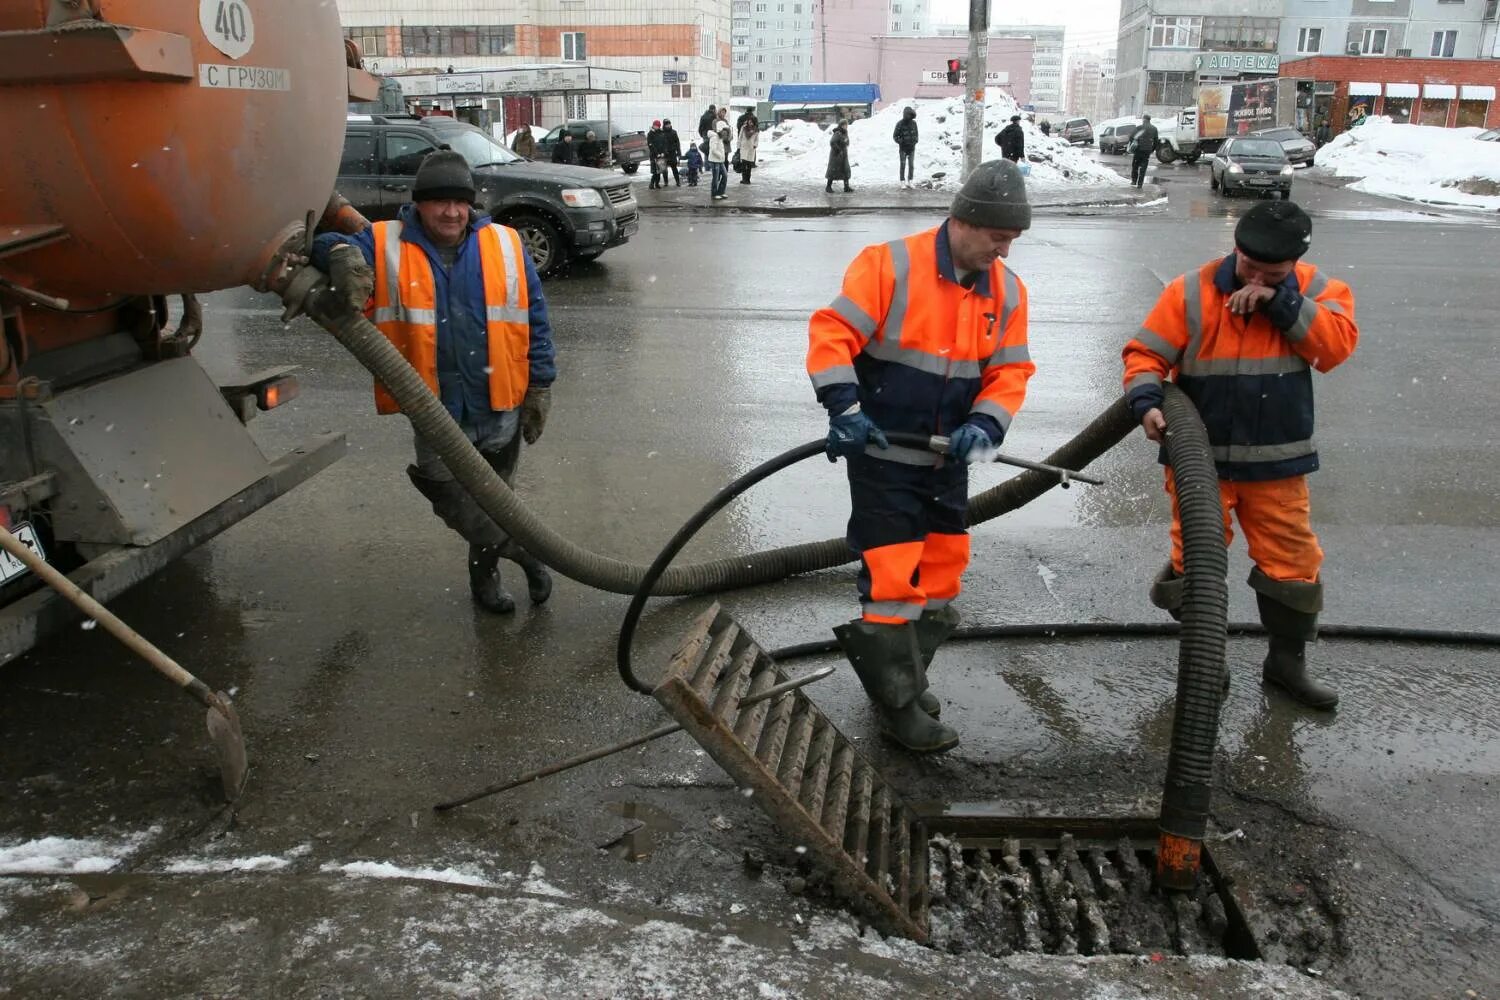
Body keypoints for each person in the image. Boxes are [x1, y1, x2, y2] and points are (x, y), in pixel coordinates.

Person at [805, 160, 1037, 752]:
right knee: (890, 583)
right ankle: (900, 705)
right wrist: (845, 409)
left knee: (941, 578)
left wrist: (986, 423)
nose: (1004, 251)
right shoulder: (889, 266)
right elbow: (833, 334)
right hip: (883, 458)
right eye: (997, 238)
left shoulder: (1006, 291)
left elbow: (1010, 370)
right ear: (964, 222)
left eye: (1011, 241)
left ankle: (900, 678)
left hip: (946, 464)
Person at [1122, 201, 1358, 709]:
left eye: (1270, 272)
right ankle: (1207, 660)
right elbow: (1145, 355)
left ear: (1293, 264)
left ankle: (1286, 664)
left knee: (1292, 563)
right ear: (1237, 249)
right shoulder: (1191, 291)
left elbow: (1334, 350)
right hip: (1198, 465)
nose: (1254, 276)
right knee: (1198, 563)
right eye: (1249, 266)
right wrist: (1145, 400)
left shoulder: (1318, 291)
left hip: (1277, 466)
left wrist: (1281, 302)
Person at [313, 151, 557, 614]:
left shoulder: (505, 245)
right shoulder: (383, 241)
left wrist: (540, 386)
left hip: (500, 403)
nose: (451, 212)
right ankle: (528, 556)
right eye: (439, 202)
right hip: (435, 409)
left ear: (471, 205)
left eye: (460, 202)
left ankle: (485, 579)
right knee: (456, 505)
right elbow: (317, 245)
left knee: (498, 502)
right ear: (418, 204)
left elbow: (536, 321)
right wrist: (339, 252)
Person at [1128, 114, 1157, 188]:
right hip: (1147, 150)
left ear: (1144, 119)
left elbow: (1131, 137)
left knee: (1135, 165)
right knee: (1143, 167)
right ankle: (1140, 184)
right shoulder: (1154, 128)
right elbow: (1156, 141)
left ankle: (1134, 181)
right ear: (1149, 120)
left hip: (1138, 149)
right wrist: (1152, 149)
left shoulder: (1139, 127)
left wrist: (1133, 144)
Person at [892, 106, 919, 188]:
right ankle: (902, 181)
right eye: (907, 114)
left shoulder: (914, 123)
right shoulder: (899, 124)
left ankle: (910, 181)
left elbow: (916, 134)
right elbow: (895, 136)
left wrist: (915, 141)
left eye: (910, 114)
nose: (908, 116)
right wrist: (901, 142)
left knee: (911, 165)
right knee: (903, 165)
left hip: (912, 148)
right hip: (903, 148)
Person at [707, 119, 732, 200]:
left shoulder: (720, 137)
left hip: (720, 161)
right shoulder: (714, 137)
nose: (726, 133)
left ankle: (721, 192)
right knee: (715, 177)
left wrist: (721, 157)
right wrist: (721, 155)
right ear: (720, 130)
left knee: (725, 175)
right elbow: (713, 150)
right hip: (715, 161)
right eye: (725, 130)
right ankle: (714, 193)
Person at [825, 119, 852, 193]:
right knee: (833, 171)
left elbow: (847, 142)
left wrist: (846, 142)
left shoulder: (844, 133)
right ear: (841, 125)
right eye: (844, 125)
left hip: (843, 156)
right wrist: (838, 150)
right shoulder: (838, 133)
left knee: (845, 170)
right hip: (836, 156)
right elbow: (832, 142)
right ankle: (828, 187)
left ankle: (846, 187)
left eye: (846, 125)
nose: (846, 126)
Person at [735, 112, 759, 184]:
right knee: (744, 164)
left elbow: (757, 139)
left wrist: (755, 145)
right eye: (749, 121)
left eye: (751, 122)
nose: (750, 123)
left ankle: (748, 179)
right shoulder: (744, 127)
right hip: (744, 147)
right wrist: (738, 146)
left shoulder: (756, 130)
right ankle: (744, 179)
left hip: (751, 148)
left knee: (749, 164)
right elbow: (740, 136)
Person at [661, 118, 683, 186]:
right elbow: (659, 143)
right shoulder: (661, 133)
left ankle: (678, 181)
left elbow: (677, 143)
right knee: (664, 169)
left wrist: (679, 153)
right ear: (664, 125)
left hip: (672, 153)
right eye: (666, 124)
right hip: (664, 154)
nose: (668, 125)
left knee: (674, 168)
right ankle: (666, 182)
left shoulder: (674, 132)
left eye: (669, 124)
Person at [646, 119, 665, 189]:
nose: (655, 127)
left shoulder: (661, 133)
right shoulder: (650, 134)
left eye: (657, 126)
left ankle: (657, 183)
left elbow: (664, 143)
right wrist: (656, 153)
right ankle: (651, 183)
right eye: (654, 125)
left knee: (660, 170)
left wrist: (663, 152)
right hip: (654, 155)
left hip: (661, 154)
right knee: (655, 171)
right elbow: (650, 145)